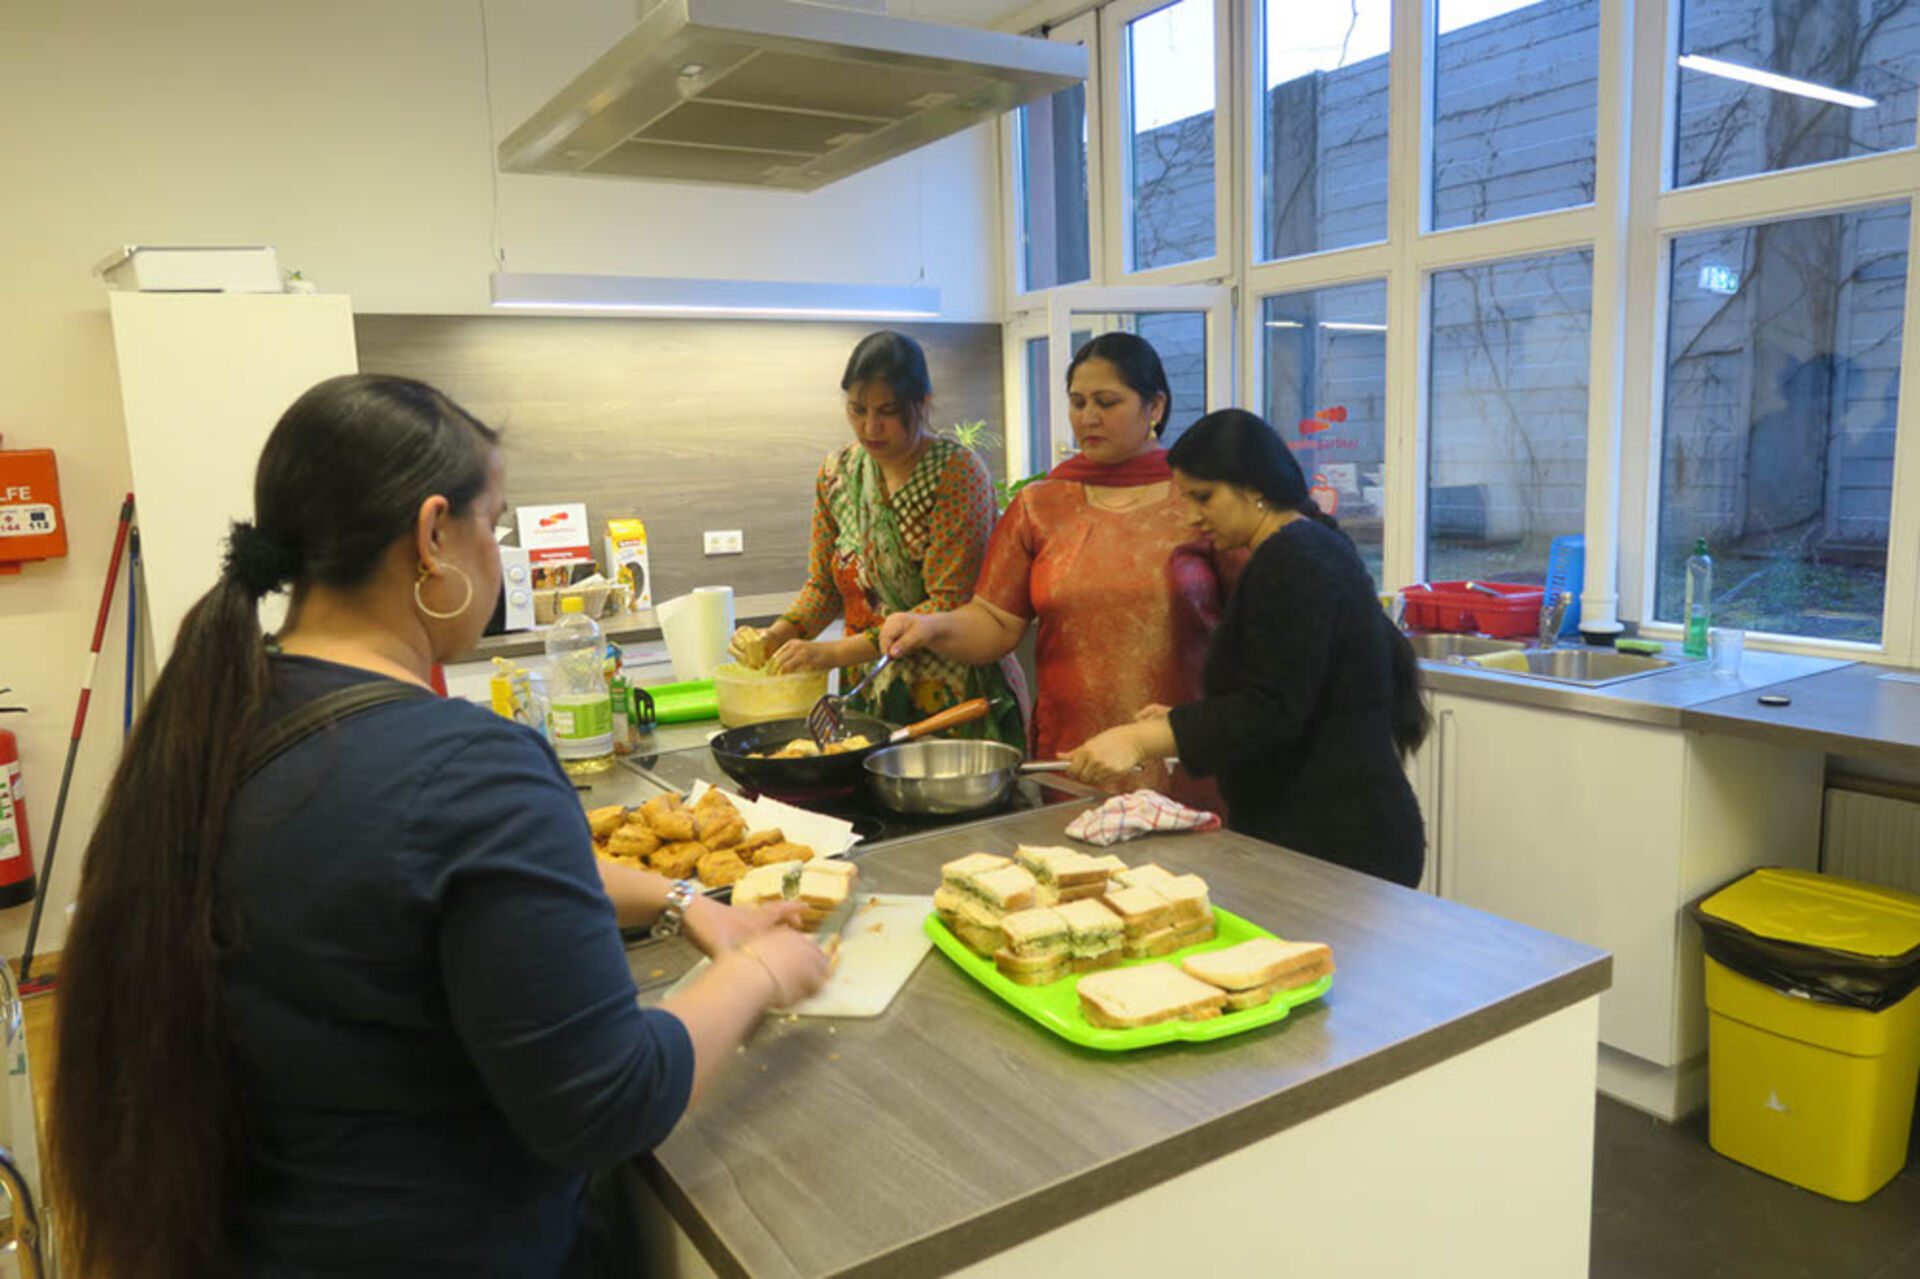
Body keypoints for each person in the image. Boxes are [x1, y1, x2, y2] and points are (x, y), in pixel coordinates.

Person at [49, 374, 830, 1279]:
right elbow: (609, 1101)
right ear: (432, 537)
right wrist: (754, 968)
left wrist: (683, 896)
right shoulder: (474, 765)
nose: (497, 557)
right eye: (493, 525)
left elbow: (415, 873)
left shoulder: (215, 718)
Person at [1065, 409, 1431, 887]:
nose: (1194, 517)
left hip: (1338, 842)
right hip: (1333, 830)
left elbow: (1269, 709)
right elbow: (1288, 689)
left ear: (1254, 488)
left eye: (1203, 497)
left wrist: (1139, 740)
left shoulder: (1292, 559)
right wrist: (1179, 720)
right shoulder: (1306, 546)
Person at [878, 332, 1232, 794]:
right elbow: (994, 620)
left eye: (1107, 402)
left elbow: (1254, 632)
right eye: (1078, 402)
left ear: (1156, 408)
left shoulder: (1200, 500)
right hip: (1073, 759)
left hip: (1183, 759)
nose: (1088, 417)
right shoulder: (1040, 504)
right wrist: (931, 627)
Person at [729, 331, 1025, 743]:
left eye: (887, 411)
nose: (870, 426)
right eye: (857, 409)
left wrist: (832, 654)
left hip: (953, 690)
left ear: (921, 404)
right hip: (869, 691)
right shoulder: (837, 474)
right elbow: (824, 588)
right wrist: (778, 635)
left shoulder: (957, 473)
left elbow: (949, 601)